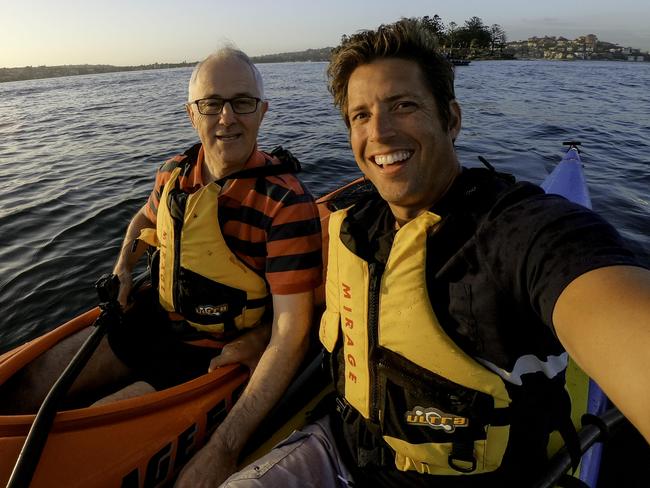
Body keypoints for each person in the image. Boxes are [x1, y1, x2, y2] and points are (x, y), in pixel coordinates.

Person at [219, 19, 650, 488]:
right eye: (360, 115)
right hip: (341, 451)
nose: (379, 132)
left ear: (451, 118)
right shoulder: (354, 228)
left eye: (403, 106)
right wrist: (260, 333)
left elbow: (600, 294)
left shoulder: (520, 233)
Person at [1, 46, 322, 487]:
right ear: (193, 114)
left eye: (241, 102)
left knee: (79, 438)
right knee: (26, 385)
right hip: (154, 316)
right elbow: (143, 221)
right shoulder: (175, 172)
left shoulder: (287, 203)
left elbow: (292, 336)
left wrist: (222, 450)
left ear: (262, 112)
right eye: (211, 104)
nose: (227, 117)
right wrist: (123, 269)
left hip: (208, 351)